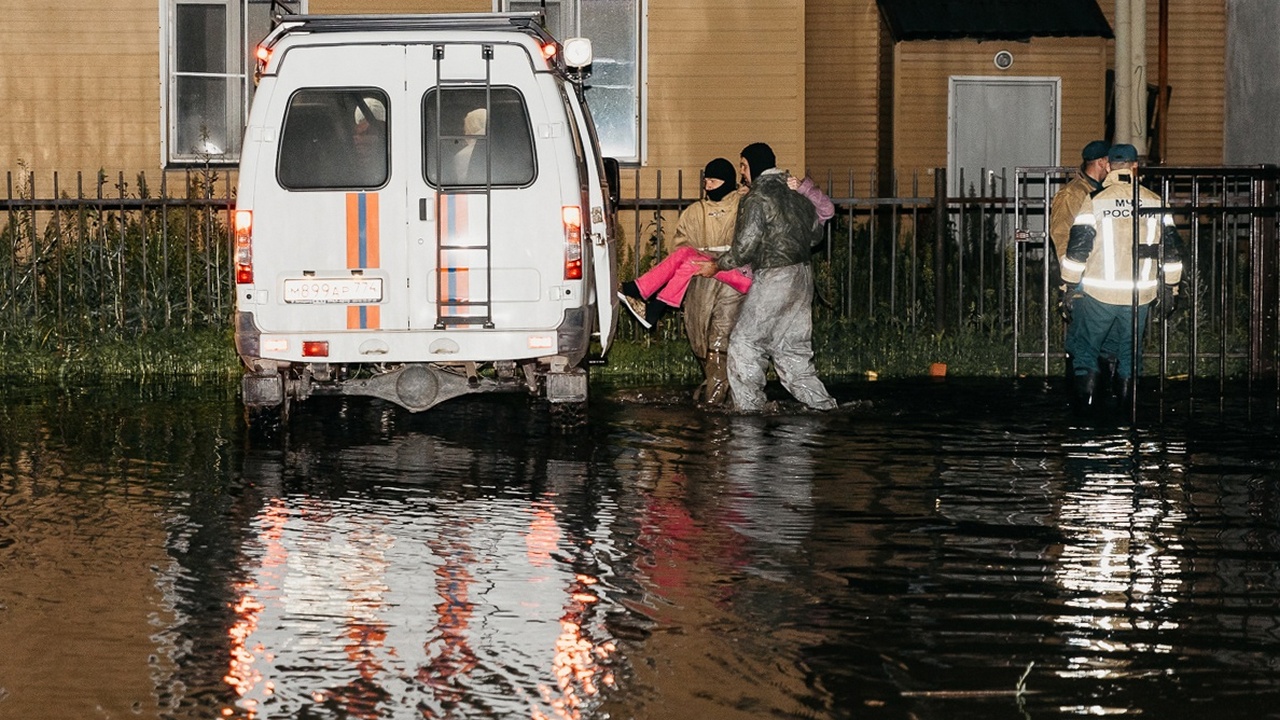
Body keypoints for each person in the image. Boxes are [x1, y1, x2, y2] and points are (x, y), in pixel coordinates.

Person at [696, 142, 837, 413]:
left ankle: (749, 411)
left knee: (744, 344)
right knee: (792, 351)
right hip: (803, 277)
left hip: (775, 279)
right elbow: (815, 235)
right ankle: (825, 409)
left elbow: (744, 246)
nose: (742, 173)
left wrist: (718, 265)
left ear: (755, 165)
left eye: (743, 166)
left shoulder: (756, 199)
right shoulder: (797, 196)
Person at [1060, 143, 1184, 412]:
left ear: (1110, 166)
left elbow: (1077, 248)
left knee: (1087, 352)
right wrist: (1171, 288)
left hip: (1098, 294)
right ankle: (1128, 423)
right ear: (1135, 166)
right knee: (1130, 355)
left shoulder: (1094, 200)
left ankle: (1086, 423)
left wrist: (1068, 286)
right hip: (1138, 296)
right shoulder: (1154, 200)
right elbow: (1173, 252)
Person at [1051, 140, 1113, 386]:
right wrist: (1072, 282)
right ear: (1101, 162)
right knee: (1082, 344)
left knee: (1103, 345)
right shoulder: (1073, 194)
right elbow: (1062, 237)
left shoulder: (1106, 191)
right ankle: (1078, 403)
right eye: (1110, 161)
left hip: (1103, 281)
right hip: (1084, 282)